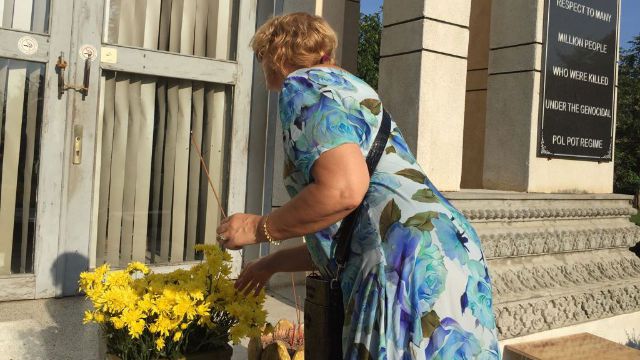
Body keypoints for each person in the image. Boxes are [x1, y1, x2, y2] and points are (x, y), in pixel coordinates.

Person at [215, 12, 501, 360]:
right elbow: (352, 235)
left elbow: (343, 191)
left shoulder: (302, 85)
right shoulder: (353, 89)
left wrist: (257, 227)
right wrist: (269, 263)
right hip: (450, 251)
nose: (262, 69)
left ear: (275, 54)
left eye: (261, 57)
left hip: (399, 264)